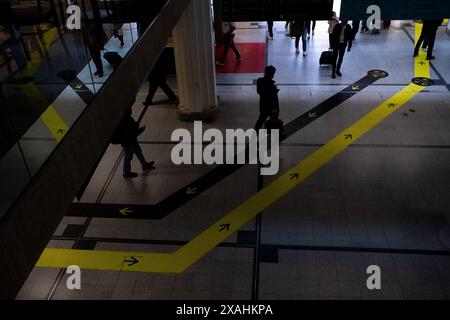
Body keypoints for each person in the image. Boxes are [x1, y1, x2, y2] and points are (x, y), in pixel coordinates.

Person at [114, 108, 155, 178]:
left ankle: (144, 164)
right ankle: (126, 172)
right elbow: (131, 133)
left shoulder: (126, 119)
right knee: (128, 157)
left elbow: (133, 128)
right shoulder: (125, 121)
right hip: (128, 142)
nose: (131, 110)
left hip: (131, 141)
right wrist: (141, 130)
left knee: (138, 152)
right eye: (130, 110)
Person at [255, 66, 280, 131]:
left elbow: (259, 91)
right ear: (272, 74)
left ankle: (254, 135)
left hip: (263, 106)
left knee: (260, 121)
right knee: (275, 122)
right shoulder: (272, 86)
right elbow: (274, 100)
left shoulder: (259, 81)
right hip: (272, 108)